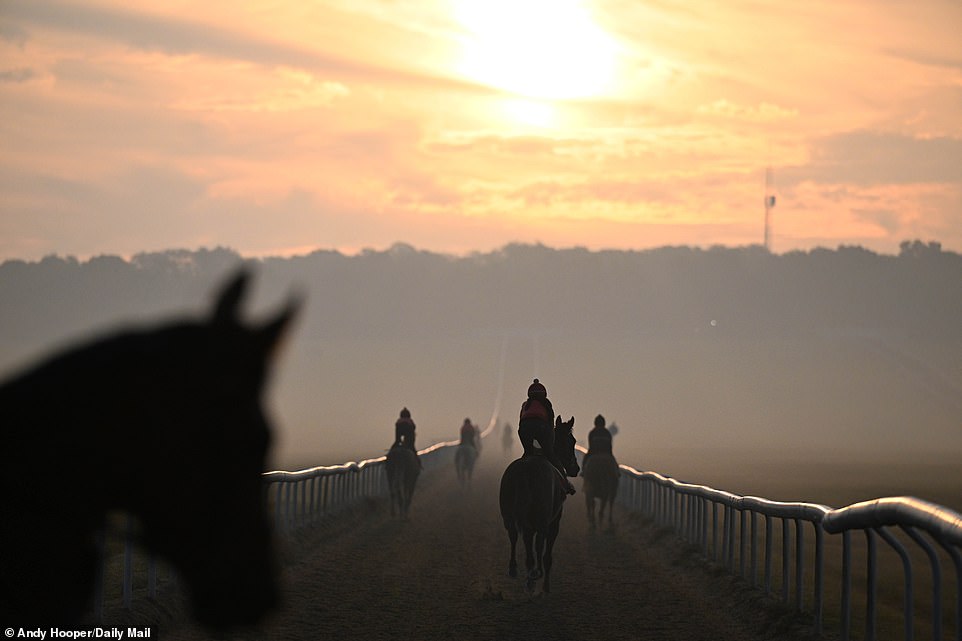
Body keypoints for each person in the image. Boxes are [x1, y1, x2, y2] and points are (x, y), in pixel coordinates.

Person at [518, 378, 575, 495]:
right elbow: (550, 426)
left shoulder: (525, 405)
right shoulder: (547, 404)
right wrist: (549, 445)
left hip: (523, 430)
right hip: (542, 429)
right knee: (551, 455)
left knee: (527, 454)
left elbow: (521, 423)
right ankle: (566, 484)